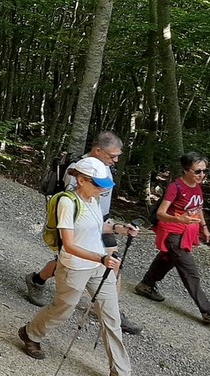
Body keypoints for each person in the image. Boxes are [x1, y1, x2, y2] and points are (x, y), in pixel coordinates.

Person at [18, 156, 144, 376]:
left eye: (104, 184)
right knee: (63, 309)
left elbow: (98, 228)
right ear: (82, 180)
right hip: (75, 266)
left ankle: (120, 375)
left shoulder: (92, 199)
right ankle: (30, 333)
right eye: (97, 184)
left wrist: (119, 228)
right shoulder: (68, 202)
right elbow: (69, 244)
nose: (102, 189)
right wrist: (101, 259)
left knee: (111, 317)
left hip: (98, 266)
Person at [25, 131, 142, 335]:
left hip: (101, 221)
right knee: (68, 263)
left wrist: (117, 227)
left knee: (113, 263)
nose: (116, 160)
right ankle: (36, 280)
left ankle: (109, 310)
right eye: (112, 155)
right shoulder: (78, 172)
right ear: (98, 150)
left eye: (117, 156)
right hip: (79, 225)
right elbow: (71, 203)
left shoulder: (104, 168)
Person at [134, 153, 210, 326]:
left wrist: (204, 227)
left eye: (205, 171)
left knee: (167, 258)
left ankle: (146, 284)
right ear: (186, 170)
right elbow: (161, 213)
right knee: (190, 272)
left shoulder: (197, 185)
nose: (202, 175)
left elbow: (198, 208)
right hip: (174, 233)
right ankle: (207, 312)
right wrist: (179, 219)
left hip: (188, 232)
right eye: (198, 171)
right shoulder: (176, 187)